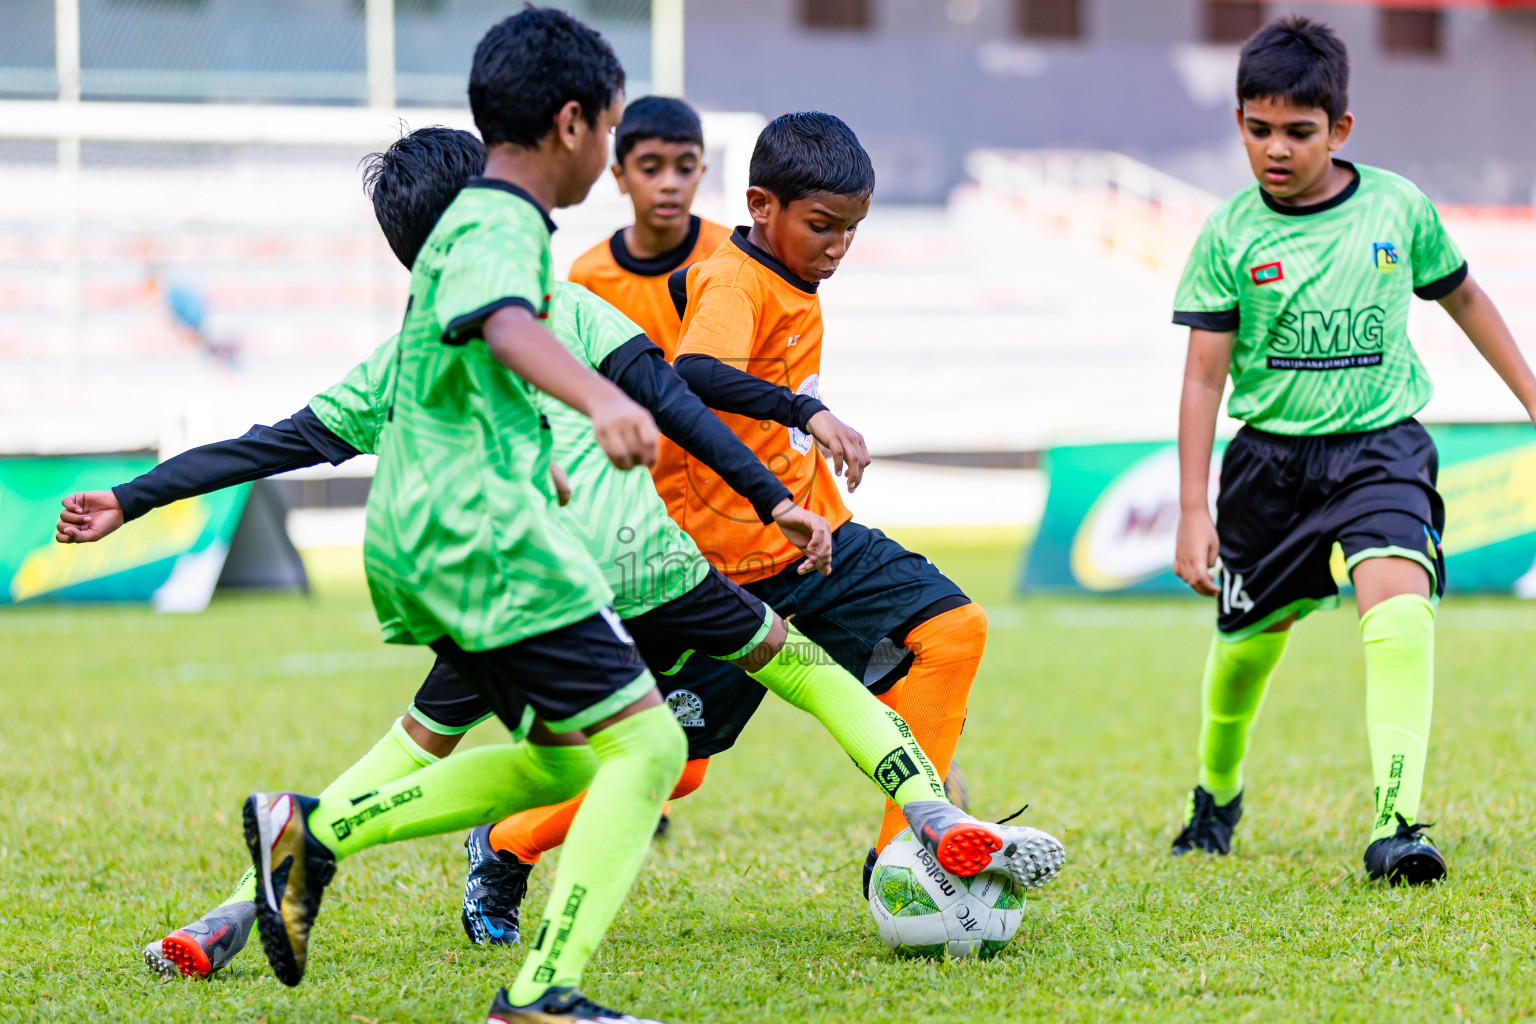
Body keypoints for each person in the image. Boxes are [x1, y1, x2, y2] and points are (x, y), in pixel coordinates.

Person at [61, 126, 1055, 983]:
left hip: (488, 580)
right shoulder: (570, 309)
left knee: (458, 751)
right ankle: (921, 812)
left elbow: (270, 442)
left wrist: (131, 497)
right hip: (633, 571)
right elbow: (676, 401)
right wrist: (771, 499)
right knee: (771, 683)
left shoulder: (399, 361)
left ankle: (248, 895)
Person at [1167, 16, 1536, 885]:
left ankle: (1396, 822)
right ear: (1240, 125)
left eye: (1299, 131)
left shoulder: (1396, 207)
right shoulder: (1228, 236)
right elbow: (1200, 381)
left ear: (1340, 130)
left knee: (1400, 604)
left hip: (1382, 446)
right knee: (1246, 649)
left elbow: (1466, 298)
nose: (1277, 150)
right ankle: (1216, 796)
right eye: (1259, 130)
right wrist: (1193, 510)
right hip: (1270, 465)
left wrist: (1530, 394)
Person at [657, 111, 1027, 899]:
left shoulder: (795, 275)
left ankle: (906, 856)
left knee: (954, 631)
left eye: (852, 229)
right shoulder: (734, 278)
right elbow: (692, 372)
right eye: (823, 226)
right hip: (728, 573)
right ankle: (507, 845)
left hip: (819, 540)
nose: (839, 246)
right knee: (673, 770)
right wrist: (807, 411)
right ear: (762, 206)